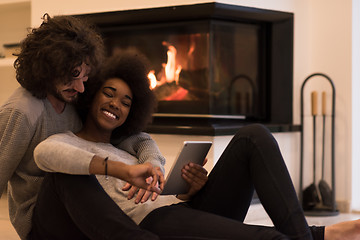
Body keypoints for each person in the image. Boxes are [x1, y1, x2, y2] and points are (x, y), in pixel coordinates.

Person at [34, 51, 360, 240]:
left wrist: (190, 190)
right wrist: (125, 170)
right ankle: (317, 236)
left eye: (127, 102)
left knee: (254, 135)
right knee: (265, 237)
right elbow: (45, 155)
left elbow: (154, 163)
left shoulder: (130, 146)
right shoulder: (67, 147)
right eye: (108, 93)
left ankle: (310, 235)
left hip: (182, 209)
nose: (116, 104)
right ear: (91, 95)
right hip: (152, 223)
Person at [0, 14, 164, 240]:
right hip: (42, 220)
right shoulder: (21, 112)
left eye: (85, 78)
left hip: (81, 211)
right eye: (72, 76)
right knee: (65, 170)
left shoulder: (72, 100)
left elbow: (130, 138)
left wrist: (152, 162)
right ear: (49, 66)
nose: (80, 87)